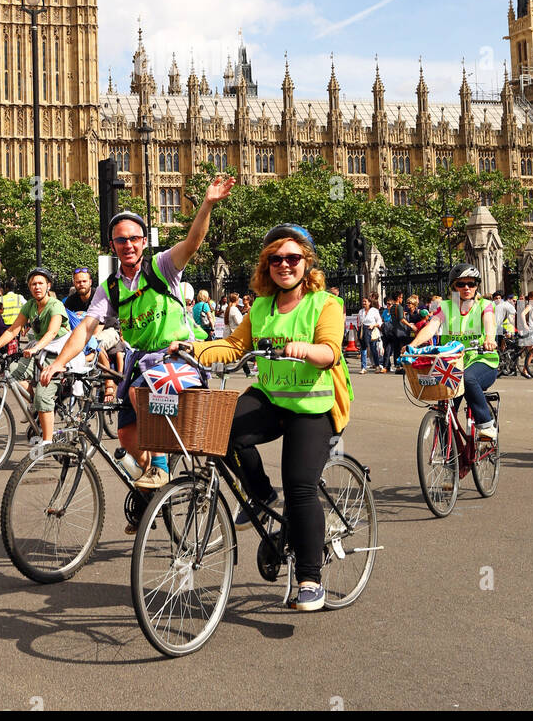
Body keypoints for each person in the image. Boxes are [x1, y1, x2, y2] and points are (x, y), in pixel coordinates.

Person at [184, 224, 350, 612]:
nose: (283, 265)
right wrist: (190, 347)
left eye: (292, 258)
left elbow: (330, 352)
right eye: (275, 259)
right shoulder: (260, 306)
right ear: (267, 265)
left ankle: (310, 579)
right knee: (218, 429)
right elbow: (232, 346)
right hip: (273, 398)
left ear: (307, 263)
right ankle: (260, 496)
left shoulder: (326, 303)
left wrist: (306, 349)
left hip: (313, 407)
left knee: (300, 486)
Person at [39, 174, 235, 501]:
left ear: (144, 242)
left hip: (180, 358)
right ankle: (153, 488)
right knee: (127, 435)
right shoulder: (110, 288)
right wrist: (59, 363)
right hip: (142, 363)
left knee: (142, 392)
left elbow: (192, 243)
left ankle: (160, 466)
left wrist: (207, 205)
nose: (127, 244)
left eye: (134, 238)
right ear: (112, 246)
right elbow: (86, 328)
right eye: (120, 240)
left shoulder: (162, 267)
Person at [410, 262, 498, 440]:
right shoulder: (446, 307)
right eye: (461, 284)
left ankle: (486, 424)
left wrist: (489, 339)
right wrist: (413, 344)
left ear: (476, 286)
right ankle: (448, 458)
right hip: (451, 363)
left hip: (482, 360)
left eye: (471, 284)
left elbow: (489, 322)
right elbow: (431, 326)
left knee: (468, 378)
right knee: (444, 408)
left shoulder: (484, 305)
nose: (466, 288)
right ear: (453, 287)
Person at [0, 269, 70, 439]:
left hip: (58, 352)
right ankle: (35, 404)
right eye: (33, 284)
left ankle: (48, 442)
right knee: (11, 372)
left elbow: (52, 332)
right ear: (29, 288)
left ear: (48, 286)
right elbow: (13, 330)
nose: (37, 287)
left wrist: (36, 348)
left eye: (40, 283)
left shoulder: (55, 305)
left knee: (43, 396)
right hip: (39, 349)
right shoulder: (29, 305)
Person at [357, 296, 383, 373]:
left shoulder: (374, 311)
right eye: (363, 302)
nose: (364, 303)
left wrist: (373, 325)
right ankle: (363, 367)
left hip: (371, 330)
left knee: (373, 348)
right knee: (363, 349)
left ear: (369, 303)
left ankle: (377, 366)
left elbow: (379, 322)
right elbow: (359, 322)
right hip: (363, 330)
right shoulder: (361, 311)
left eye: (365, 302)